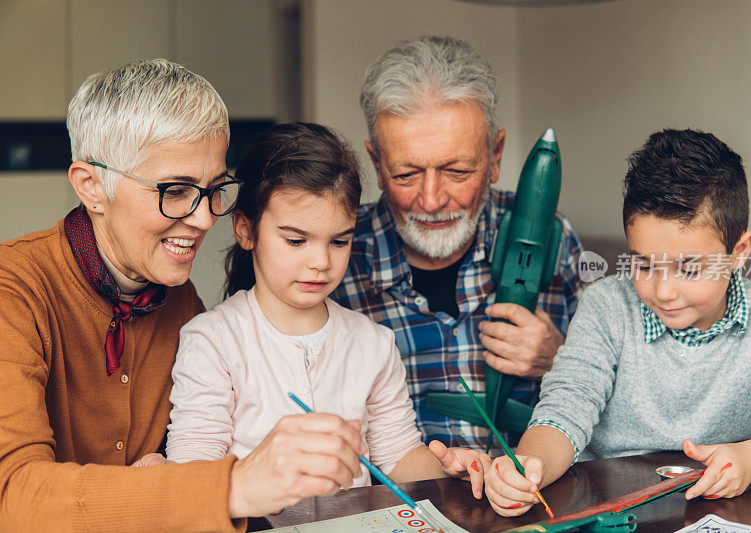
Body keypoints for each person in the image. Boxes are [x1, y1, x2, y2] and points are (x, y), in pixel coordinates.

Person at [0, 60, 368, 531]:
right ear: (91, 186)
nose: (202, 219)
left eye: (213, 190)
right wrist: (235, 485)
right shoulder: (14, 291)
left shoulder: (183, 304)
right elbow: (14, 496)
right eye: (175, 190)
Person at [165, 122, 493, 501]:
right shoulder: (212, 341)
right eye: (296, 240)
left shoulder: (373, 343)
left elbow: (399, 458)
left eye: (339, 241)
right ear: (246, 230)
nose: (320, 261)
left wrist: (450, 468)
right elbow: (192, 474)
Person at [484, 129, 751, 516]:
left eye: (688, 268)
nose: (663, 291)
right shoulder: (607, 305)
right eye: (643, 263)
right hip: (608, 507)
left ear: (739, 252)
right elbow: (565, 408)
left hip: (714, 514)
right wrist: (531, 464)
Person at [331, 36, 585, 455]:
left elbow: (622, 402)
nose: (431, 201)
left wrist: (562, 360)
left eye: (457, 171)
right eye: (406, 174)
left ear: (496, 155)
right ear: (376, 164)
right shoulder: (332, 257)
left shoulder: (553, 240)